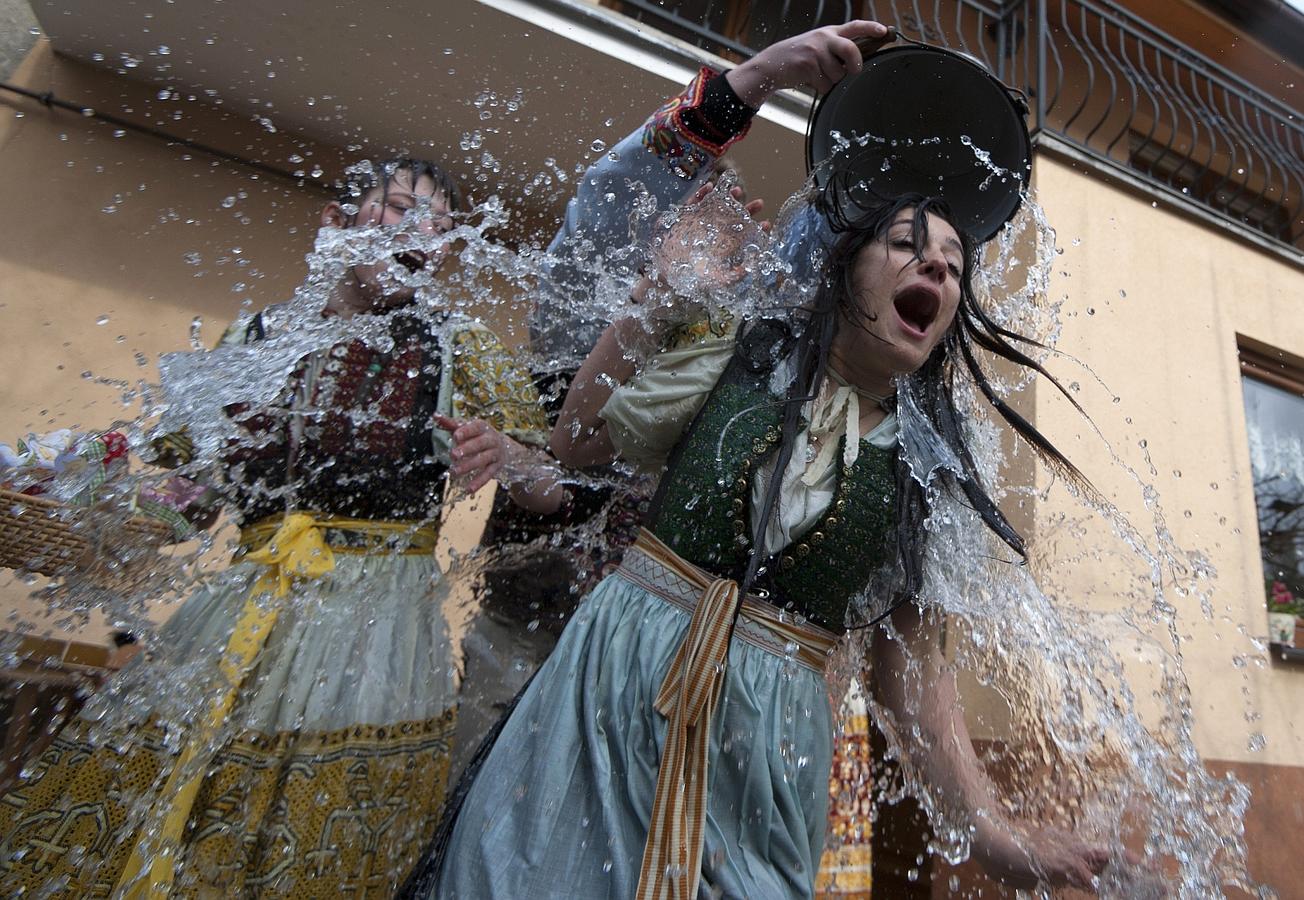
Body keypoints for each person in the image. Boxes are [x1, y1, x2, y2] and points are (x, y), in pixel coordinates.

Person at [416, 21, 1118, 900]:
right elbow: (577, 439)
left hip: (764, 753)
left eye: (952, 265)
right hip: (601, 685)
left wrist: (991, 830)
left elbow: (912, 662)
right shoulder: (734, 344)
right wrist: (753, 91)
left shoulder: (926, 465)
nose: (935, 272)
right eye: (906, 248)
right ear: (842, 264)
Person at [0, 158, 562, 897]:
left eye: (439, 226)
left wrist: (510, 452)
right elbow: (188, 499)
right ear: (334, 225)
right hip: (238, 610)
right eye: (398, 208)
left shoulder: (462, 346)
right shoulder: (257, 338)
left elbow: (551, 488)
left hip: (374, 636)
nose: (419, 231)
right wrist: (85, 511)